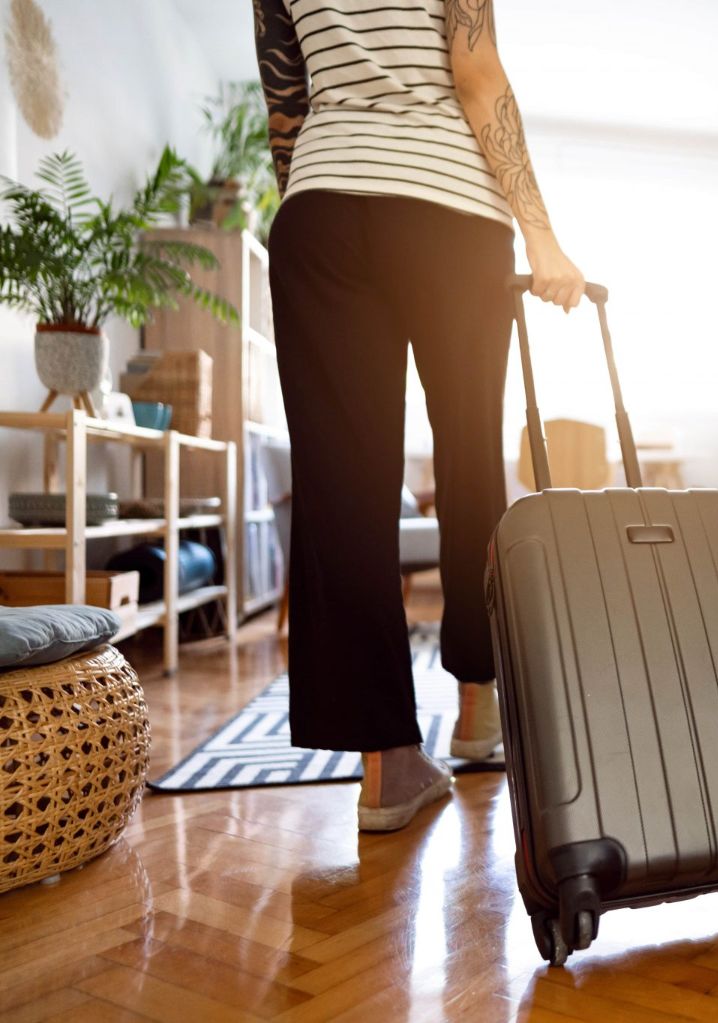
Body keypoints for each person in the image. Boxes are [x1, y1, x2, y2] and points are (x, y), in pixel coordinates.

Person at [253, 0, 583, 831]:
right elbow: (475, 72)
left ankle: (386, 767)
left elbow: (285, 102)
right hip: (450, 209)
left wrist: (328, 197)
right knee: (471, 459)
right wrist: (542, 236)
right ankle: (478, 712)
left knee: (343, 483)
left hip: (322, 208)